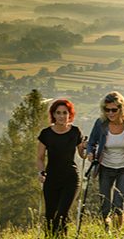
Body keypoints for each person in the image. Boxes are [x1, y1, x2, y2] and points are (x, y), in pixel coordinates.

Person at [85, 91, 124, 231]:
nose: (110, 113)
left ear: (122, 109)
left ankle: (117, 232)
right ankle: (107, 230)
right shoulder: (101, 124)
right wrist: (90, 152)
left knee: (118, 203)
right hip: (105, 167)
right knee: (105, 204)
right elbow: (92, 142)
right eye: (107, 110)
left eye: (114, 110)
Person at [36, 98, 86, 237]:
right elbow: (40, 158)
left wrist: (86, 149)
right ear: (53, 115)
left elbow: (83, 155)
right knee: (50, 218)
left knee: (62, 215)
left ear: (70, 114)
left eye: (65, 113)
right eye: (58, 113)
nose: (62, 116)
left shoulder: (75, 132)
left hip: (71, 178)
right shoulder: (46, 134)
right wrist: (41, 172)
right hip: (51, 179)